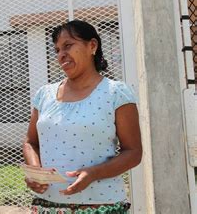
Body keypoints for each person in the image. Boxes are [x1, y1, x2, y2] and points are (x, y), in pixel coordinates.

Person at [23, 20, 142, 213]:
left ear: (92, 46)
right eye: (57, 50)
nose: (62, 55)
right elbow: (30, 142)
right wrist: (36, 170)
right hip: (48, 206)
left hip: (102, 206)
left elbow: (133, 152)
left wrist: (93, 174)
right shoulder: (44, 95)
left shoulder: (116, 93)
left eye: (68, 46)